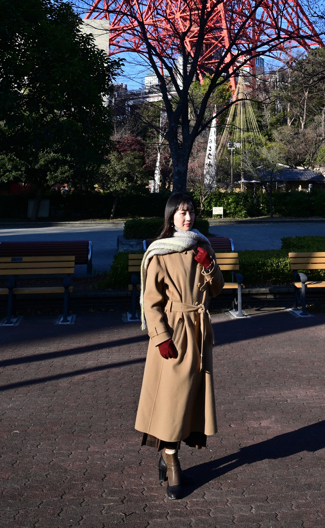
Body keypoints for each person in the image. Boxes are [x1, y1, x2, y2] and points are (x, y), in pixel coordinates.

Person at [134, 192, 224, 499]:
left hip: (198, 332)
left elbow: (217, 288)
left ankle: (167, 454)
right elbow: (150, 301)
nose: (188, 218)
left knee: (190, 399)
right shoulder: (158, 252)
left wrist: (209, 265)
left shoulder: (202, 245)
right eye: (182, 213)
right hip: (174, 333)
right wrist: (160, 338)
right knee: (172, 400)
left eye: (191, 212)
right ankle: (171, 461)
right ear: (171, 216)